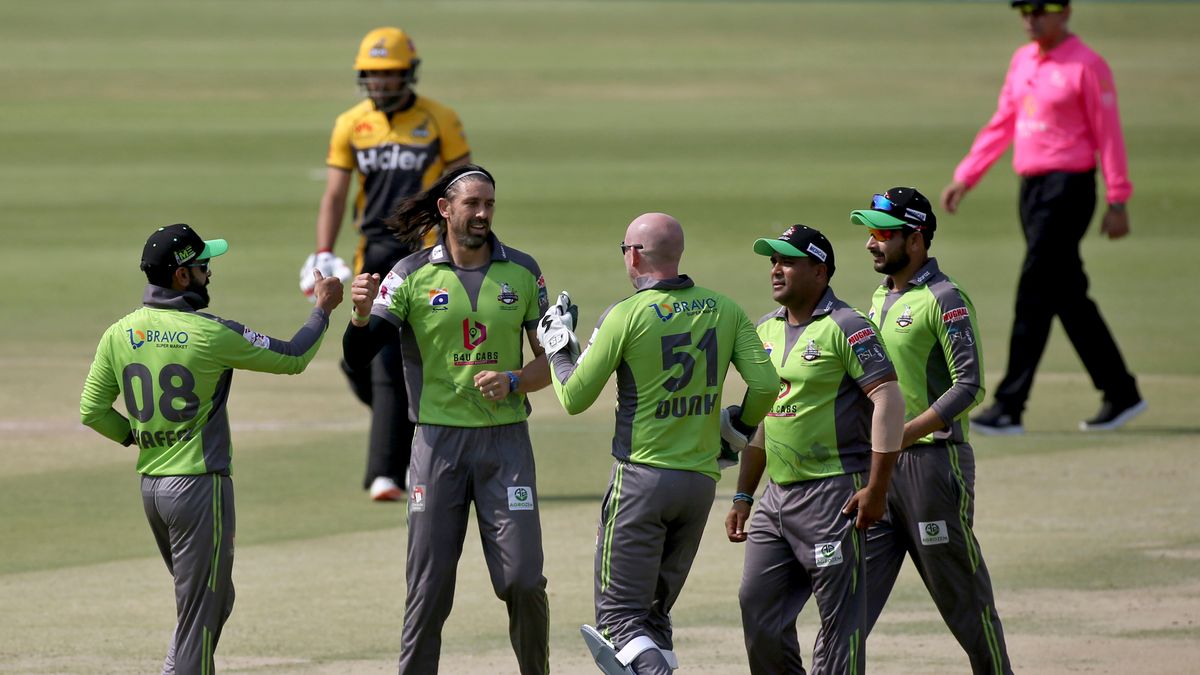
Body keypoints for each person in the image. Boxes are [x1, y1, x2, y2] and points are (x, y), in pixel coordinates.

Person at [80, 223, 343, 674]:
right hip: (199, 488)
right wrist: (322, 310)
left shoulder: (118, 333)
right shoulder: (210, 333)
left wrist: (138, 437)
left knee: (212, 601)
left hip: (153, 489)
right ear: (182, 275)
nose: (209, 274)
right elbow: (293, 357)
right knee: (201, 613)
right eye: (203, 266)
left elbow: (92, 411)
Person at [536, 213, 778, 675]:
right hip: (699, 486)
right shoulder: (725, 308)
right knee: (654, 616)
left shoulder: (625, 315)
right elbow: (766, 384)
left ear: (633, 255)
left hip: (641, 483)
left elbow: (573, 397)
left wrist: (557, 347)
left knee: (619, 623)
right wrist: (741, 428)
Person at [342, 165, 551, 674]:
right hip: (437, 447)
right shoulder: (409, 275)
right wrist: (361, 315)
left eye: (489, 204)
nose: (482, 214)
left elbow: (554, 361)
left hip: (506, 446)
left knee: (523, 580)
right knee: (429, 587)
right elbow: (358, 355)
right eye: (472, 204)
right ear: (445, 209)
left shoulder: (523, 272)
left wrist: (514, 381)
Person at [941, 0, 1145, 434]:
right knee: (1067, 296)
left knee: (1034, 291)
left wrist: (1118, 199)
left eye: (1040, 10)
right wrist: (968, 174)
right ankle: (1121, 391)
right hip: (1032, 190)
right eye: (1024, 11)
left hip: (1068, 189)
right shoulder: (1023, 60)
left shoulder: (1087, 65)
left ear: (1064, 11)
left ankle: (1010, 405)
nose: (1030, 19)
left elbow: (1108, 133)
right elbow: (1004, 121)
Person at [726, 225, 906, 675]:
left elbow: (888, 398)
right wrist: (744, 494)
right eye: (773, 261)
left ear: (819, 271)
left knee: (840, 625)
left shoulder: (848, 326)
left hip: (833, 496)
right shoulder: (764, 330)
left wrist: (877, 488)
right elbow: (763, 418)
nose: (776, 269)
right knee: (758, 609)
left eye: (787, 262)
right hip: (775, 499)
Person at [304, 26, 472, 501]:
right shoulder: (350, 123)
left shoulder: (440, 120)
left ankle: (385, 475)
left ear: (407, 73)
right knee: (357, 362)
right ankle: (406, 426)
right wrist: (322, 251)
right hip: (373, 251)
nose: (380, 82)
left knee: (389, 360)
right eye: (372, 74)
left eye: (390, 73)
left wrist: (459, 250)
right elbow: (336, 195)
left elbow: (465, 188)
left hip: (426, 250)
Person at [850, 188, 1012, 674]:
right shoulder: (880, 297)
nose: (871, 243)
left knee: (965, 601)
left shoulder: (945, 298)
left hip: (933, 468)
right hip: (880, 471)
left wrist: (901, 435)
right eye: (870, 233)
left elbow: (970, 385)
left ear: (916, 239)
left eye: (883, 234)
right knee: (847, 602)